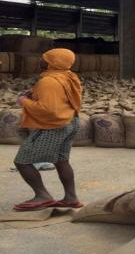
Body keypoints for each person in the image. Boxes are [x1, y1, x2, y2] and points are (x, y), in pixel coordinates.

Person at [13, 48, 83, 211]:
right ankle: (71, 198)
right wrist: (34, 93)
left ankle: (42, 195)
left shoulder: (48, 81)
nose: (40, 60)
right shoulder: (68, 76)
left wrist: (23, 101)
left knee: (22, 161)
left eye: (45, 58)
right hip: (70, 121)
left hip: (54, 126)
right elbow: (62, 97)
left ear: (53, 62)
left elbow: (48, 110)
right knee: (61, 160)